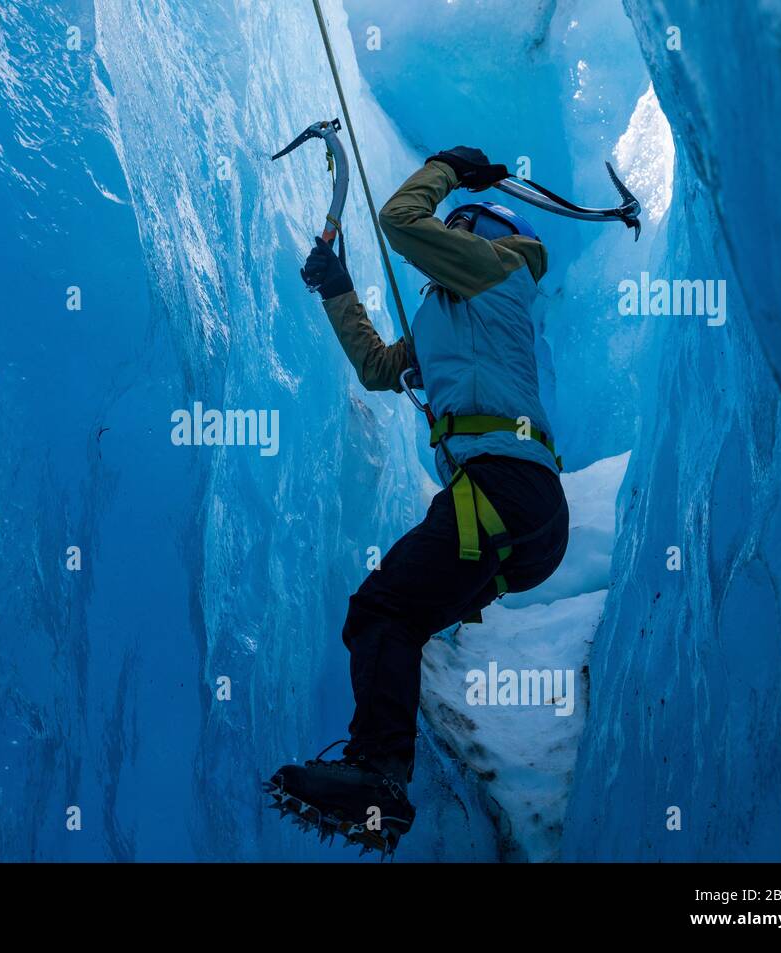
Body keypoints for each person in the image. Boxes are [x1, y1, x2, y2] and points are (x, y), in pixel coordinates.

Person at [265, 147, 570, 853]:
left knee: (384, 609)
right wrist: (338, 288)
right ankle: (380, 780)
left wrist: (444, 168)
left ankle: (378, 774)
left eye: (462, 223)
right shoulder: (451, 316)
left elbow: (401, 220)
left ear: (488, 235)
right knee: (395, 617)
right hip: (518, 515)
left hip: (506, 489)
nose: (450, 232)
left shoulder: (500, 272)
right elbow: (379, 367)